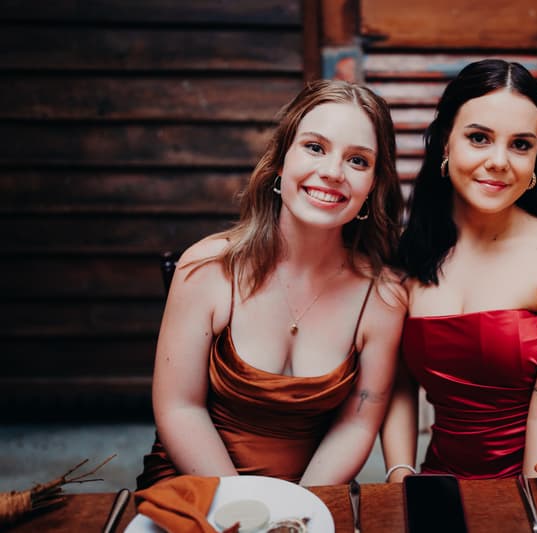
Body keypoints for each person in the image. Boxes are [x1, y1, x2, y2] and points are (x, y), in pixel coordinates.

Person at [137, 79, 406, 489]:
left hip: (312, 495)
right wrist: (244, 509)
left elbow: (356, 424)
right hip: (196, 485)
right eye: (315, 147)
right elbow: (179, 409)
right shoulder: (207, 268)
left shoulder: (382, 298)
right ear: (281, 161)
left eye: (358, 160)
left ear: (373, 185)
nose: (332, 172)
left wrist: (298, 510)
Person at [381, 59, 537, 482]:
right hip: (445, 476)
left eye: (520, 145)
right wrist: (401, 474)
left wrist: (526, 515)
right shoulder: (408, 257)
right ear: (444, 143)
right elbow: (398, 387)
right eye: (478, 138)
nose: (499, 161)